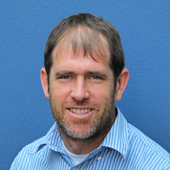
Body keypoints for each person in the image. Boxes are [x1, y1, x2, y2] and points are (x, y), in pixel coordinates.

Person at [10, 13, 170, 170]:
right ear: (46, 83)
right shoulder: (26, 163)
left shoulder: (158, 166)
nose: (79, 94)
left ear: (119, 84)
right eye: (66, 76)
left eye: (95, 77)